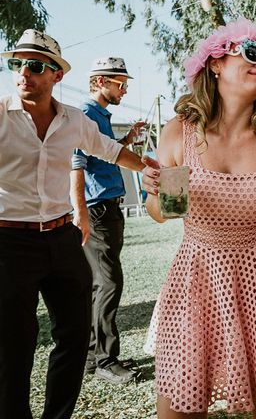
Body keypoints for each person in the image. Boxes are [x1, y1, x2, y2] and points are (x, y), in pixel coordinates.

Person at [140, 17, 256, 419]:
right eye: (252, 54)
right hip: (196, 283)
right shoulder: (178, 131)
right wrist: (156, 194)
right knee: (181, 404)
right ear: (216, 64)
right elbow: (164, 214)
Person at [0, 30, 144, 419]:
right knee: (15, 344)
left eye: (35, 65)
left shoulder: (74, 120)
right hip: (9, 242)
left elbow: (111, 151)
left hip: (63, 238)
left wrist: (153, 169)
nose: (23, 73)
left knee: (76, 336)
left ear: (56, 75)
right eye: (17, 64)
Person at [69, 57, 145, 385]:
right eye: (120, 83)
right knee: (109, 282)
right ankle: (105, 361)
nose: (124, 90)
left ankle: (91, 356)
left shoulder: (100, 114)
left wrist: (128, 141)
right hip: (98, 210)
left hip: (105, 209)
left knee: (99, 283)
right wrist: (81, 212)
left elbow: (106, 154)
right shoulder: (87, 113)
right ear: (100, 82)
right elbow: (76, 162)